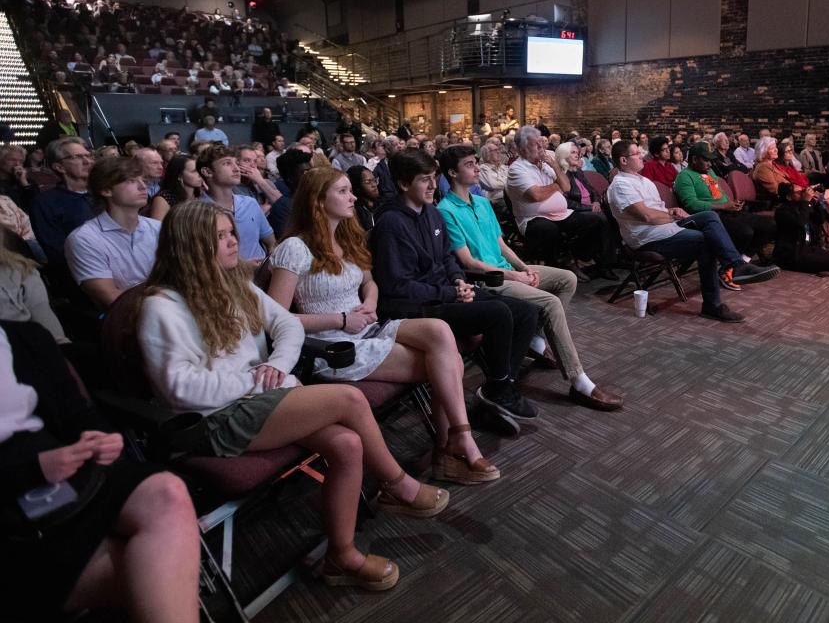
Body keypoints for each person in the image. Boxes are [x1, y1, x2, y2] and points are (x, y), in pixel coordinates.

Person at [138, 201, 448, 592]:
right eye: (220, 236)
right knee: (348, 400)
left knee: (348, 444)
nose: (234, 241)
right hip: (210, 419)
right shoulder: (160, 306)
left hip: (258, 398)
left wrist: (278, 368)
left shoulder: (234, 283)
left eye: (231, 232)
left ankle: (342, 556)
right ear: (190, 246)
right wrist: (257, 379)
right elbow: (179, 388)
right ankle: (395, 484)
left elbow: (286, 326)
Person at [267, 166, 499, 484]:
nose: (353, 197)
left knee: (440, 330)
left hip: (365, 326)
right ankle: (452, 447)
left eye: (351, 190)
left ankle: (458, 439)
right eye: (343, 191)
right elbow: (276, 318)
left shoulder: (346, 238)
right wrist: (342, 319)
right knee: (451, 362)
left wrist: (371, 302)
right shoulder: (294, 248)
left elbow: (370, 283)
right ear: (318, 201)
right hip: (331, 346)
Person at [0, 322, 200, 622]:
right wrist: (34, 469)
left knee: (168, 493)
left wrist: (102, 437)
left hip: (69, 474)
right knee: (161, 568)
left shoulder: (25, 336)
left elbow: (77, 413)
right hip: (12, 508)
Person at [437, 145, 623, 411]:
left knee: (567, 279)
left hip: (506, 269)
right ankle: (578, 380)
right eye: (469, 164)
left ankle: (535, 340)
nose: (477, 167)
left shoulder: (481, 202)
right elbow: (468, 262)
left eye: (476, 162)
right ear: (453, 173)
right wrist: (514, 275)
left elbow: (501, 245)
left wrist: (525, 268)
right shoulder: (446, 210)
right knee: (549, 303)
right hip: (487, 279)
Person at [371, 149, 539, 422]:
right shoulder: (391, 224)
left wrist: (458, 280)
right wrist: (451, 291)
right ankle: (499, 387)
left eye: (433, 178)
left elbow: (448, 258)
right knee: (498, 313)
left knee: (526, 312)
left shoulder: (431, 214)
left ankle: (500, 385)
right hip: (415, 307)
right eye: (424, 179)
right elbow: (397, 286)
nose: (433, 185)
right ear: (404, 184)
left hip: (446, 293)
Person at [607, 141, 779, 322]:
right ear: (624, 160)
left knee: (709, 216)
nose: (642, 155)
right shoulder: (621, 185)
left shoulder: (644, 181)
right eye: (636, 154)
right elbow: (647, 217)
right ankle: (713, 304)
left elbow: (657, 211)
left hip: (665, 228)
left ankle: (736, 266)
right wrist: (673, 217)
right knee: (706, 241)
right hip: (647, 237)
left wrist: (670, 211)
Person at [507, 126, 612, 277]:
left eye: (541, 143)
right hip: (533, 219)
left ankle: (589, 258)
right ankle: (561, 267)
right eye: (535, 144)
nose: (541, 147)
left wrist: (554, 165)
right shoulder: (517, 169)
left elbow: (567, 186)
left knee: (598, 220)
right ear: (523, 148)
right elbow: (536, 195)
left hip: (562, 214)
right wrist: (557, 186)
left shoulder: (545, 164)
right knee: (548, 229)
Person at [65, 157, 160, 310]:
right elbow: (110, 298)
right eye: (131, 181)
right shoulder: (84, 238)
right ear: (106, 190)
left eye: (143, 180)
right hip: (126, 321)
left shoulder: (158, 228)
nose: (143, 187)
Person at [673, 144, 777, 261]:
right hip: (712, 217)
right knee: (745, 232)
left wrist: (732, 204)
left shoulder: (709, 172)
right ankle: (731, 266)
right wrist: (723, 206)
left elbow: (720, 194)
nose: (710, 164)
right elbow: (692, 205)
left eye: (711, 161)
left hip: (728, 212)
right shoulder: (684, 177)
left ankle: (743, 260)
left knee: (770, 225)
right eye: (706, 160)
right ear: (694, 159)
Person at [752, 136, 829, 246]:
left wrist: (800, 187)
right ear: (764, 151)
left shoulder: (773, 164)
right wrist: (798, 189)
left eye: (775, 147)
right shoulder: (763, 167)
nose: (776, 150)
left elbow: (788, 180)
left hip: (796, 194)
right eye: (772, 148)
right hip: (786, 199)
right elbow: (775, 190)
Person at [197, 144, 275, 263]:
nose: (236, 168)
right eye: (227, 163)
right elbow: (200, 260)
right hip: (225, 278)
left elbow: (271, 243)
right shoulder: (197, 212)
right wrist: (244, 267)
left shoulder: (250, 203)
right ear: (207, 171)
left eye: (236, 163)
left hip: (261, 274)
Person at [29, 138, 95, 273]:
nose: (87, 161)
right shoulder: (45, 203)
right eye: (77, 157)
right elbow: (57, 252)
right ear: (59, 167)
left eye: (88, 155)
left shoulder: (106, 192)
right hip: (82, 273)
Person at [268, 149, 312, 238]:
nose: (311, 176)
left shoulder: (317, 197)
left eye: (311, 171)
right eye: (305, 172)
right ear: (290, 178)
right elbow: (290, 242)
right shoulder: (283, 207)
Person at [146, 155, 204, 222]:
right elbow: (156, 229)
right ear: (179, 176)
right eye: (194, 171)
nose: (200, 174)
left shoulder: (201, 195)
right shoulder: (164, 198)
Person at [347, 165, 379, 231]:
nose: (374, 185)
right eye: (368, 182)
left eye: (374, 180)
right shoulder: (355, 212)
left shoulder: (380, 205)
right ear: (357, 186)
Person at [373, 135, 402, 201]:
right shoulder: (379, 169)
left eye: (399, 143)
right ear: (387, 149)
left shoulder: (406, 163)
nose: (400, 146)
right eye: (396, 145)